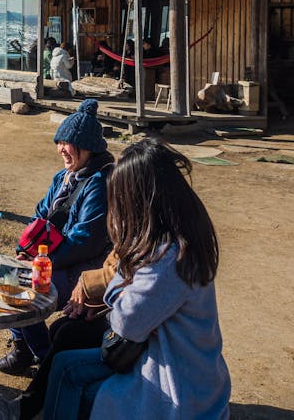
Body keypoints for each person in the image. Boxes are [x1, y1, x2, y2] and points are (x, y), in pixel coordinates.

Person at [42, 138, 230, 420]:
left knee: (71, 374)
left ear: (140, 200)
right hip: (177, 368)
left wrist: (120, 291)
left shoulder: (169, 256)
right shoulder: (178, 237)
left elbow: (125, 322)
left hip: (174, 389)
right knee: (64, 360)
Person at [0, 99, 114, 376]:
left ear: (87, 147)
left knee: (23, 291)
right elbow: (40, 216)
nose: (61, 149)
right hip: (53, 257)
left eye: (67, 143)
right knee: (5, 279)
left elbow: (87, 239)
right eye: (59, 142)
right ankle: (22, 347)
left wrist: (44, 261)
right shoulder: (64, 176)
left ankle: (45, 357)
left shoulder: (98, 183)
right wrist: (25, 250)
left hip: (81, 266)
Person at [17, 251, 118, 420]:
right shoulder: (141, 233)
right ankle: (35, 403)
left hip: (135, 337)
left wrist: (87, 284)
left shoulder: (159, 242)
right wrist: (102, 303)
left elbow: (127, 276)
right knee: (59, 327)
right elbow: (118, 267)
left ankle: (25, 408)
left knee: (68, 340)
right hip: (112, 304)